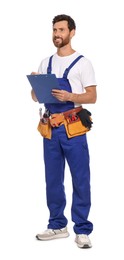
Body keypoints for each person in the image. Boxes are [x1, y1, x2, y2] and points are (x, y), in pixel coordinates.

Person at [31, 14, 97, 248]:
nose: (57, 34)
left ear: (72, 32)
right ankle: (57, 225)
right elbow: (35, 97)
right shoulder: (45, 62)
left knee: (80, 179)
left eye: (61, 30)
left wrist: (70, 96)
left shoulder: (82, 63)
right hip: (50, 128)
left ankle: (82, 229)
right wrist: (36, 86)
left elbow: (92, 96)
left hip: (73, 128)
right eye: (54, 30)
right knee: (53, 180)